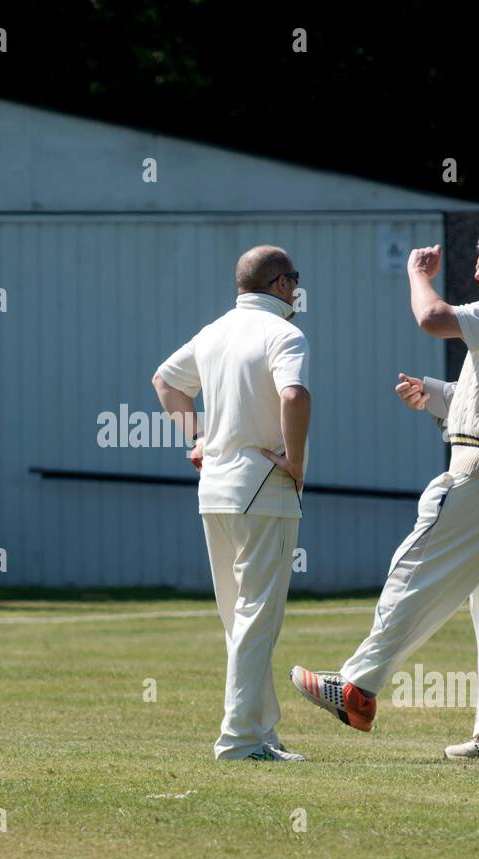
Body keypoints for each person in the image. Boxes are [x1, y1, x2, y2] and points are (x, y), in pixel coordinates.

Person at [290, 224, 479, 760]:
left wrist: (416, 275)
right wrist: (437, 396)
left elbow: (434, 319)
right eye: (477, 263)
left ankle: (357, 688)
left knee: (416, 565)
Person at [153, 245, 312, 761]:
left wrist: (198, 439)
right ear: (280, 285)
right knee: (255, 618)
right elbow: (294, 396)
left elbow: (165, 382)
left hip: (215, 494)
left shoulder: (214, 331)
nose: (297, 288)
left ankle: (261, 733)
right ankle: (240, 740)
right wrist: (297, 463)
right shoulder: (285, 333)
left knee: (240, 620)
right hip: (263, 490)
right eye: (294, 279)